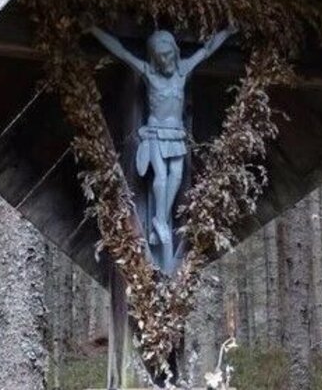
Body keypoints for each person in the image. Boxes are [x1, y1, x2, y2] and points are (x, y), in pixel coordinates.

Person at [89, 25, 236, 272]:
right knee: (160, 177)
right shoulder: (149, 74)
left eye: (168, 55)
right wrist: (94, 31)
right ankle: (160, 223)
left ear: (175, 54)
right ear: (154, 59)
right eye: (160, 57)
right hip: (156, 134)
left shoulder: (183, 72)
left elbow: (207, 49)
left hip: (176, 135)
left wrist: (228, 32)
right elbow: (122, 52)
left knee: (176, 177)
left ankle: (160, 219)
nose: (165, 61)